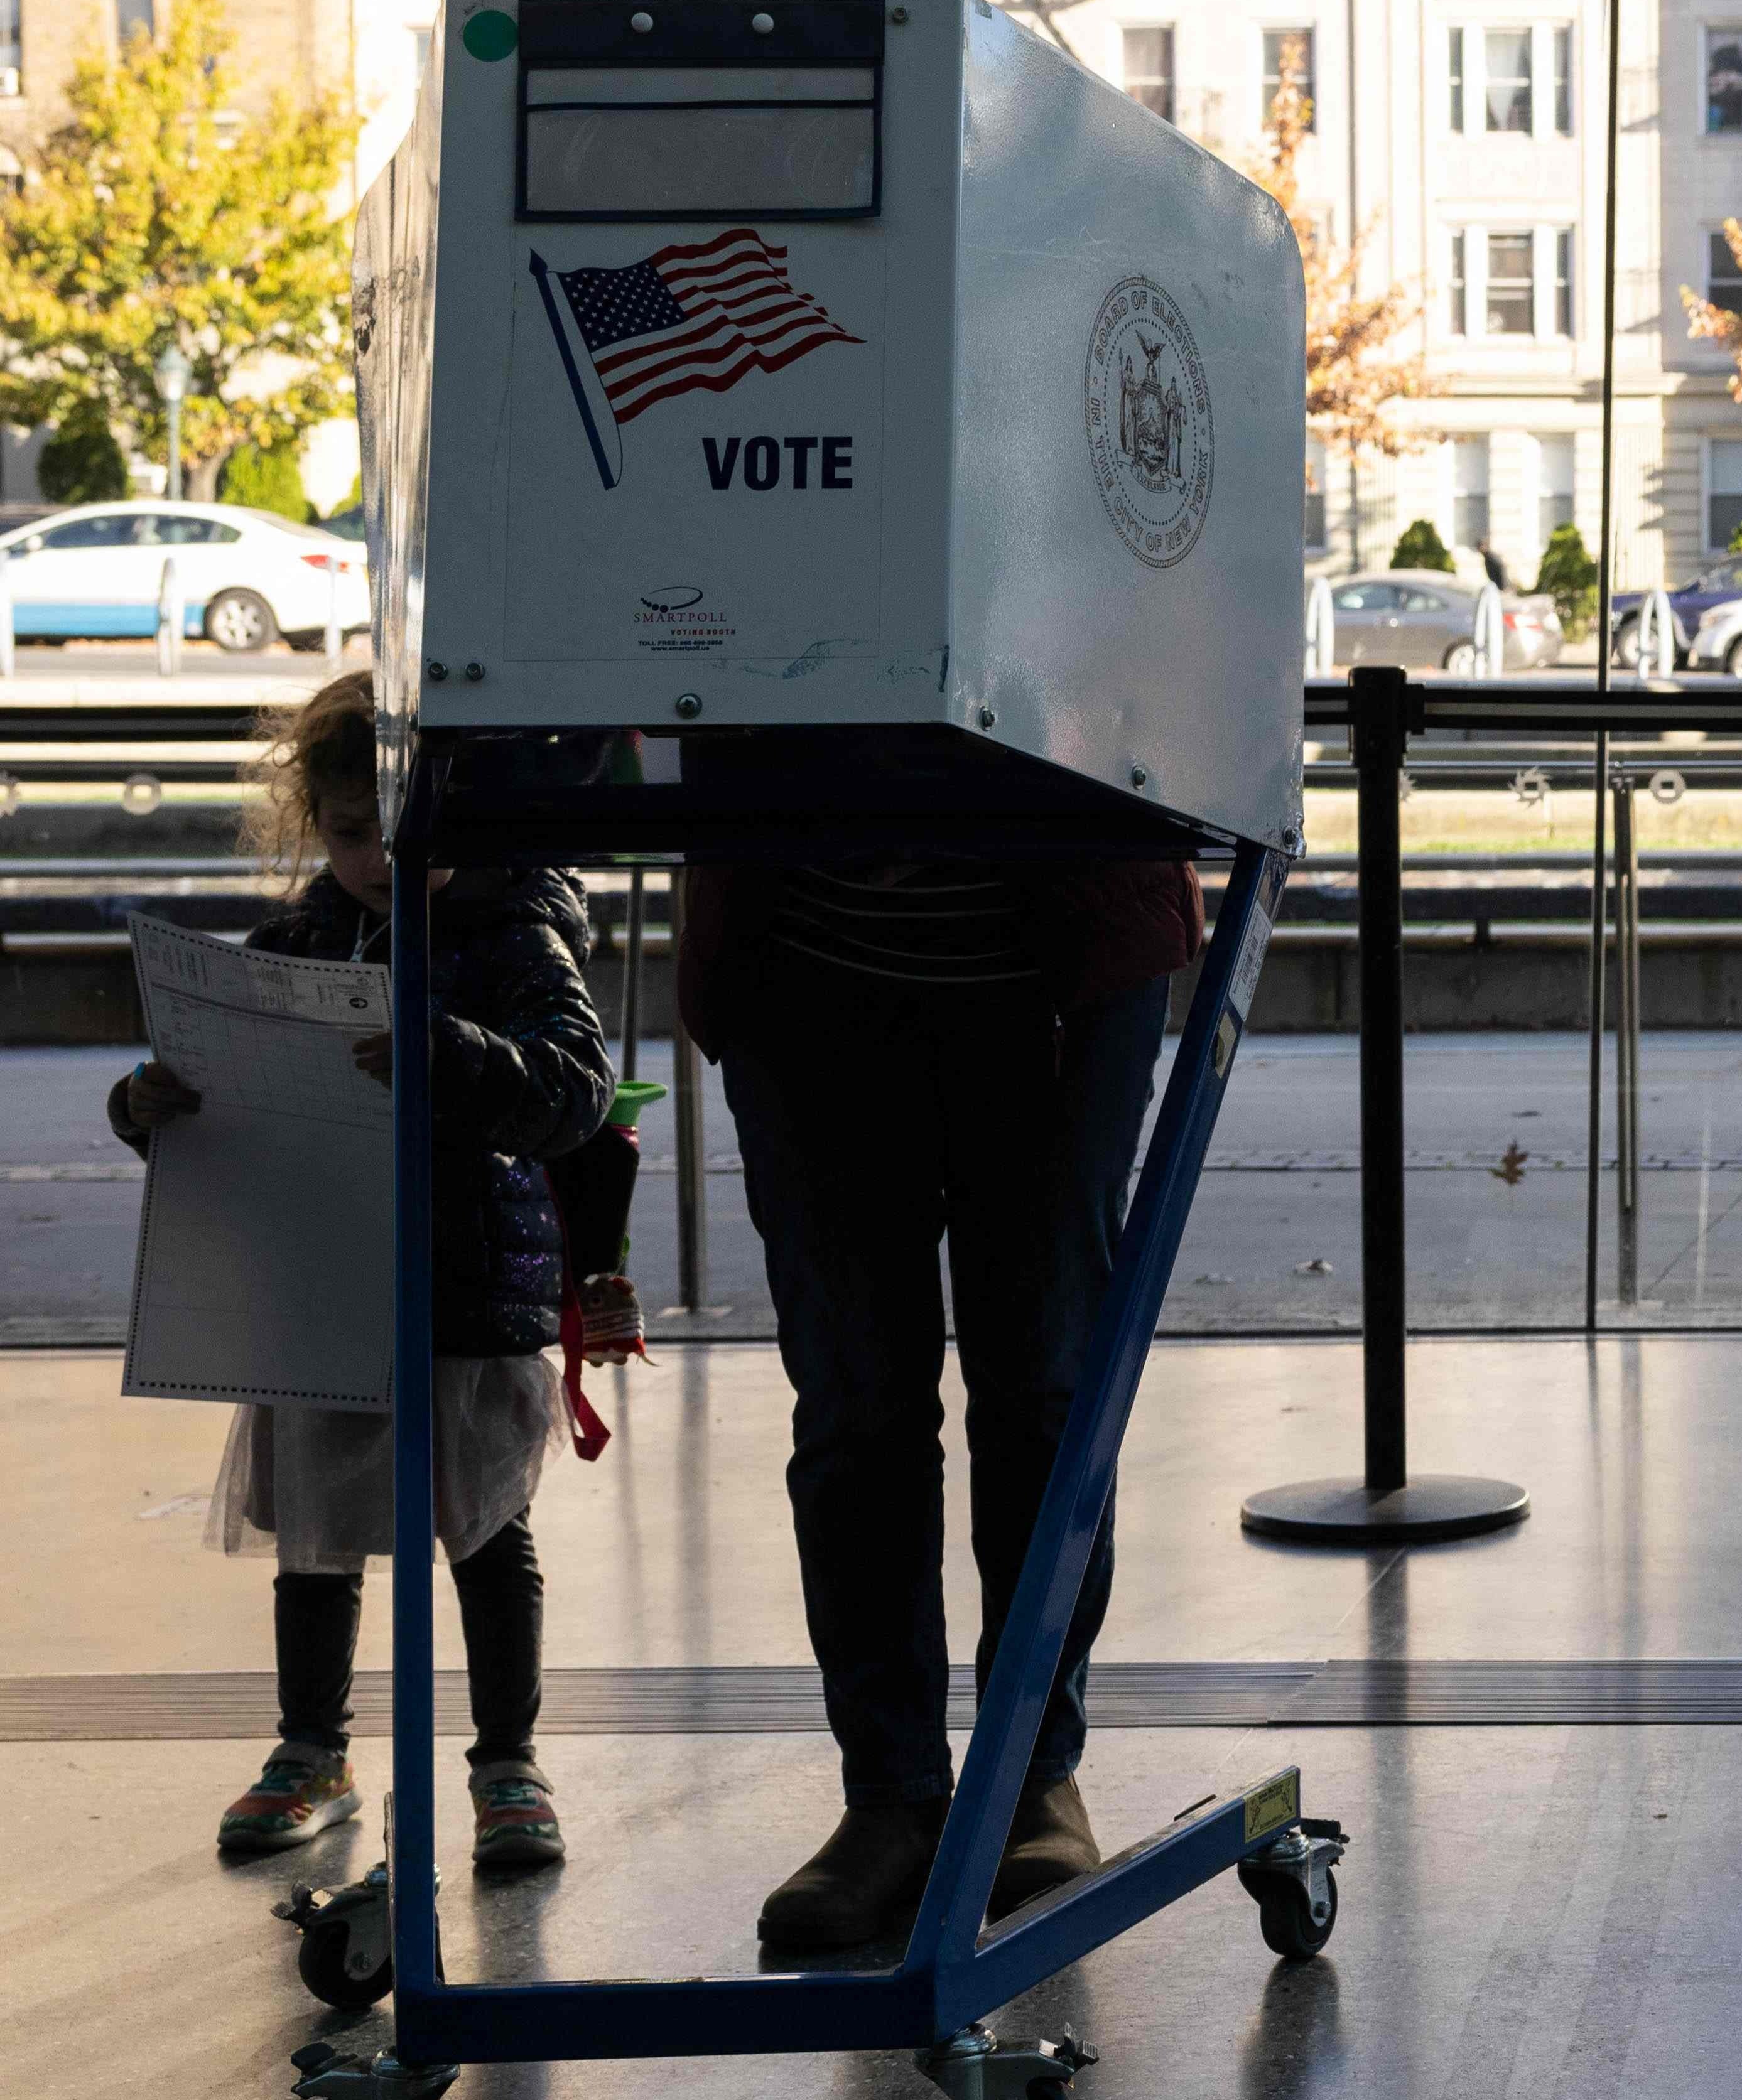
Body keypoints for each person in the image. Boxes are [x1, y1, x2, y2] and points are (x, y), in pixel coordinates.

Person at [117, 672, 607, 1875]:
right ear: (315, 827)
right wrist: (149, 1104)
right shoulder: (294, 944)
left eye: (403, 831)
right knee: (318, 1541)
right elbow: (214, 1090)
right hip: (322, 1288)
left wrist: (448, 1049)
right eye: (348, 835)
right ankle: (311, 1747)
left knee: (487, 1528)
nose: (379, 861)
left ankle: (507, 1763)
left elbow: (575, 1087)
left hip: (467, 1289)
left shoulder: (509, 931)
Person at [685, 844, 1198, 1952]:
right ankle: (895, 1792)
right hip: (807, 955)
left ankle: (1026, 1775)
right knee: (855, 1406)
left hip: (1055, 955)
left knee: (1041, 1396)